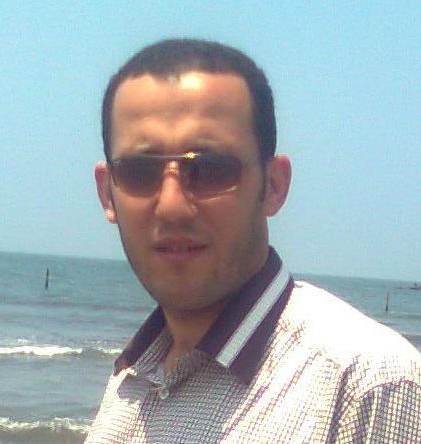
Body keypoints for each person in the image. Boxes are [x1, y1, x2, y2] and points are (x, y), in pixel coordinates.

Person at [86, 39, 420, 443]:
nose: (172, 206)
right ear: (107, 194)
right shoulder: (130, 380)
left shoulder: (366, 386)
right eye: (140, 172)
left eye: (211, 169)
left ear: (274, 186)